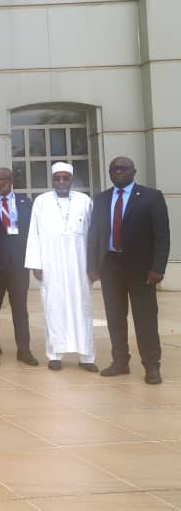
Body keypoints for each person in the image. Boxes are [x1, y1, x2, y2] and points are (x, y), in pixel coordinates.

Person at [87, 156, 170, 385]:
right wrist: (93, 266)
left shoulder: (151, 197)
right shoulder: (102, 199)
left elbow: (162, 236)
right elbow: (94, 235)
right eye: (114, 169)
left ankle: (151, 366)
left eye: (123, 169)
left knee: (145, 318)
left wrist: (158, 267)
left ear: (133, 171)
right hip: (110, 266)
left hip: (142, 269)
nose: (118, 172)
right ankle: (120, 361)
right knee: (115, 317)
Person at [25, 163, 97, 372]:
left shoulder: (85, 201)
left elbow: (94, 235)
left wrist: (94, 265)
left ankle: (87, 356)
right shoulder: (41, 201)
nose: (61, 182)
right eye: (57, 178)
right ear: (52, 180)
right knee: (53, 307)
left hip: (80, 265)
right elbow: (33, 233)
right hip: (51, 264)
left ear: (72, 179)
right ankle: (55, 355)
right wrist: (36, 264)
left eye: (65, 178)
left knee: (83, 307)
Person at [0, 168, 38, 367]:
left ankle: (24, 351)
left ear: (10, 180)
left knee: (20, 310)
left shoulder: (25, 202)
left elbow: (33, 233)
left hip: (19, 266)